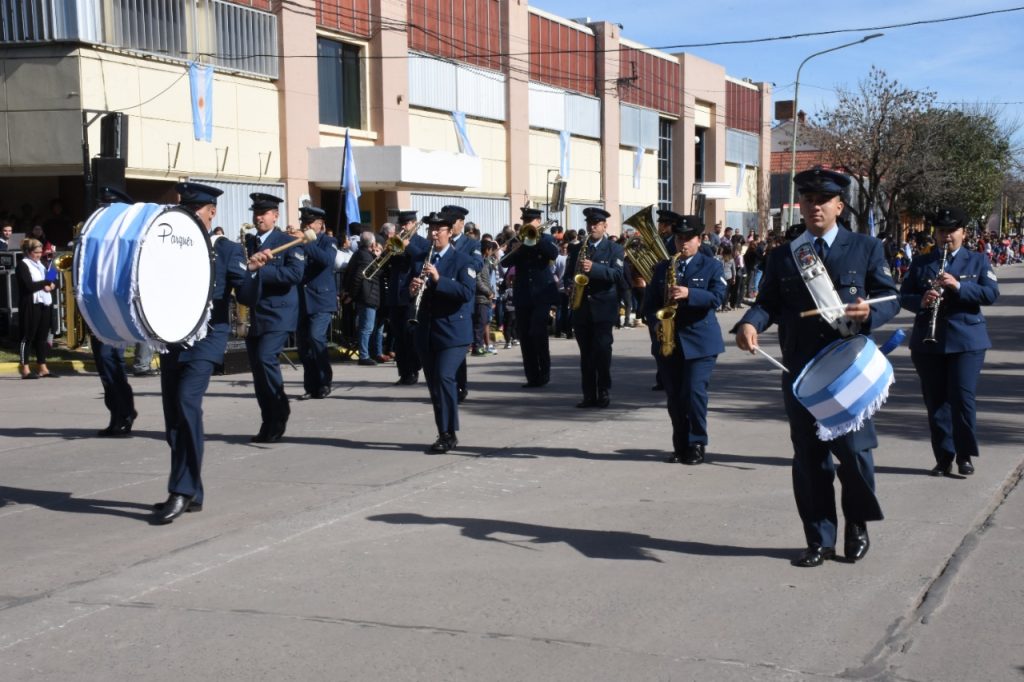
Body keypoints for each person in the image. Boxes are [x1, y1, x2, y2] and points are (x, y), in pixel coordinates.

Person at [734, 166, 900, 568]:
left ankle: (856, 524)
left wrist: (867, 313)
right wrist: (749, 324)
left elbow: (890, 297)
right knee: (810, 460)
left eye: (822, 200)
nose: (813, 207)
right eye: (807, 200)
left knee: (855, 455)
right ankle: (819, 538)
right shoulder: (784, 255)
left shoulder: (865, 247)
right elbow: (768, 303)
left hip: (849, 371)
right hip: (802, 371)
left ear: (839, 205)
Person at [153, 182, 265, 524]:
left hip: (207, 339)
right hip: (174, 338)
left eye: (195, 210)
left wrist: (254, 271)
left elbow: (245, 295)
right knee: (173, 417)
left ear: (211, 212)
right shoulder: (171, 246)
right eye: (184, 209)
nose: (188, 215)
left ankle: (182, 490)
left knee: (187, 404)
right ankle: (193, 492)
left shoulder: (226, 249)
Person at [899, 207, 999, 477]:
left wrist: (959, 286)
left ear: (962, 233)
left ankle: (965, 455)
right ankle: (943, 457)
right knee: (936, 401)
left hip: (967, 341)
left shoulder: (977, 261)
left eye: (951, 231)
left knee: (962, 398)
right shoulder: (922, 263)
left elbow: (991, 294)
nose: (946, 236)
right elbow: (903, 296)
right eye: (941, 231)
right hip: (928, 342)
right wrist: (920, 300)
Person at [643, 215, 727, 464]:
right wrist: (657, 321)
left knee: (694, 393)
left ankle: (697, 443)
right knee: (675, 397)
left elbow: (717, 298)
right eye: (679, 239)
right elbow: (649, 305)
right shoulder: (662, 267)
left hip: (700, 341)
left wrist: (690, 293)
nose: (683, 244)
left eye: (688, 239)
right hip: (670, 342)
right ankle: (680, 445)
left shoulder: (711, 266)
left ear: (699, 240)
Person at [408, 213, 475, 453]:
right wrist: (412, 289)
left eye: (439, 229)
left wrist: (438, 279)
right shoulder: (420, 259)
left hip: (453, 332)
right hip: (427, 330)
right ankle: (444, 432)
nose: (434, 233)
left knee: (445, 377)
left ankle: (448, 433)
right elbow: (411, 291)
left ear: (450, 232)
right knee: (434, 384)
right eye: (431, 230)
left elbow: (466, 292)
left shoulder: (462, 260)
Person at [244, 193, 305, 443]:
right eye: (256, 213)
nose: (259, 217)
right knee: (258, 371)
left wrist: (262, 269)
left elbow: (294, 274)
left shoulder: (289, 242)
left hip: (279, 313)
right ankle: (268, 419)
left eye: (264, 213)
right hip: (255, 315)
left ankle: (279, 411)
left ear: (275, 216)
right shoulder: (248, 243)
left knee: (265, 358)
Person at [564, 207, 625, 408]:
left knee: (602, 351)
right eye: (589, 223)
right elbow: (568, 274)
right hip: (581, 308)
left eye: (596, 224)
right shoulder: (577, 248)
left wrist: (595, 269)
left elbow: (617, 275)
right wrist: (569, 286)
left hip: (603, 308)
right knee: (586, 354)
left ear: (604, 226)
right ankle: (588, 394)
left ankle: (604, 391)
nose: (592, 227)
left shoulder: (614, 249)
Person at [500, 207, 559, 388]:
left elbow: (553, 254)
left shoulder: (547, 239)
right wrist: (517, 249)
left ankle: (544, 373)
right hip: (523, 294)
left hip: (542, 294)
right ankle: (531, 376)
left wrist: (536, 239)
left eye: (531, 221)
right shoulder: (517, 240)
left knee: (538, 333)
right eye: (525, 221)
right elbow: (504, 262)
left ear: (538, 222)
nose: (527, 224)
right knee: (525, 335)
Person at [294, 205, 338, 400]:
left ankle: (324, 381)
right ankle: (311, 386)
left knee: (316, 337)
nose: (305, 227)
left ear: (320, 225)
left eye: (309, 224)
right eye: (303, 223)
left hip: (321, 300)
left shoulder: (328, 241)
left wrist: (305, 243)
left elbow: (327, 261)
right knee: (304, 345)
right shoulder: (298, 242)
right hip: (302, 301)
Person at [440, 205, 482, 402]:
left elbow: (477, 264)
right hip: (441, 298)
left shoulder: (471, 244)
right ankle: (445, 385)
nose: (447, 226)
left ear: (460, 223)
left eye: (451, 222)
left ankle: (460, 386)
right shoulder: (440, 243)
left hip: (461, 300)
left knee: (457, 346)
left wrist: (459, 263)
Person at [387, 210, 428, 385]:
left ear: (414, 224)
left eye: (407, 224)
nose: (404, 227)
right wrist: (384, 252)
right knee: (398, 336)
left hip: (412, 295)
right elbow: (387, 266)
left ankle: (413, 370)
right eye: (401, 224)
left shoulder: (422, 243)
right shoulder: (394, 242)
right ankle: (403, 372)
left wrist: (407, 245)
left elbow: (421, 262)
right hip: (396, 295)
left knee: (410, 335)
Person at [16, 238, 57, 379]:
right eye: (36, 252)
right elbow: (29, 285)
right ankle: (24, 367)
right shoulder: (23, 264)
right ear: (28, 252)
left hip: (44, 302)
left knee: (42, 337)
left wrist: (52, 281)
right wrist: (45, 283)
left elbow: (50, 278)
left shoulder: (41, 264)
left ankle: (42, 366)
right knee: (27, 336)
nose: (39, 255)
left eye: (41, 252)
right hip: (30, 304)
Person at [342, 231, 384, 365]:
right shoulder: (366, 257)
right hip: (368, 295)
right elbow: (359, 278)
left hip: (367, 295)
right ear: (372, 243)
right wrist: (352, 295)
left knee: (367, 326)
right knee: (367, 327)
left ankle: (369, 353)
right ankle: (364, 355)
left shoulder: (359, 254)